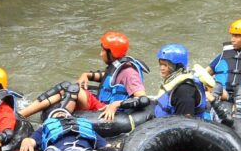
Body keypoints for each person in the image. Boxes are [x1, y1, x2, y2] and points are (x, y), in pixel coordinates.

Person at [19, 31, 149, 121]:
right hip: (103, 103)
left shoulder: (129, 73)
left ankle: (32, 117)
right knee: (67, 86)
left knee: (72, 89)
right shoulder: (118, 65)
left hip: (107, 109)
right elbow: (109, 77)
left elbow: (143, 99)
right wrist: (86, 75)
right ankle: (22, 113)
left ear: (112, 53)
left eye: (103, 50)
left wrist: (116, 104)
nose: (101, 54)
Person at [151, 44, 213, 120]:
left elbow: (184, 125)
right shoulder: (175, 82)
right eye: (161, 64)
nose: (162, 68)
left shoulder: (184, 91)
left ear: (177, 66)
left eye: (165, 65)